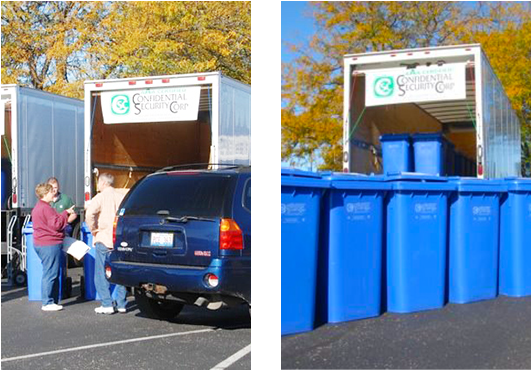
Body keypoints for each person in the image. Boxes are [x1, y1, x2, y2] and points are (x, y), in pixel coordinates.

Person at [85, 173, 128, 314]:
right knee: (120, 272)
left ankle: (107, 303)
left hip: (103, 238)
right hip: (118, 239)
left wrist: (94, 230)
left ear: (103, 183)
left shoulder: (100, 197)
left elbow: (89, 213)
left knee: (100, 273)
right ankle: (122, 304)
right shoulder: (121, 196)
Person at [31, 183, 77, 311]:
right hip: (49, 244)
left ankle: (51, 301)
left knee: (50, 272)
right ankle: (47, 302)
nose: (54, 193)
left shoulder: (39, 207)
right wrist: (65, 214)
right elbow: (56, 224)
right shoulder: (46, 208)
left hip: (42, 243)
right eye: (51, 191)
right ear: (45, 194)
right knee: (50, 273)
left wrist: (63, 213)